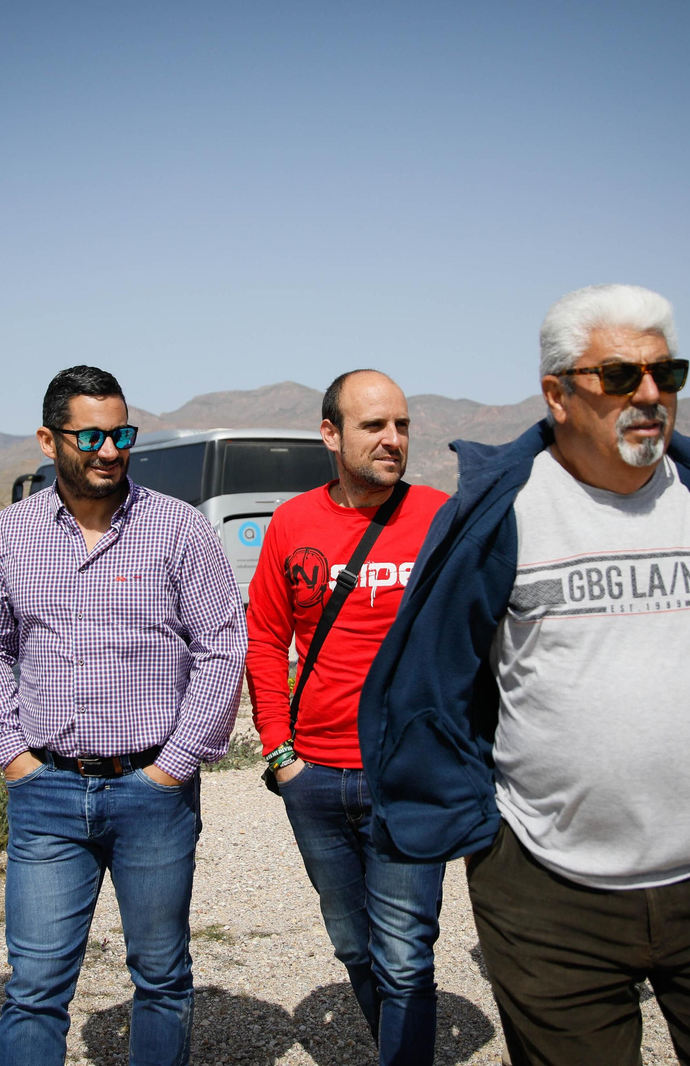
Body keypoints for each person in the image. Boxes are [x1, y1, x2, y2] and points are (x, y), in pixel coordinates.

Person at [358, 284, 690, 1066]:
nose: (648, 394)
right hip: (547, 893)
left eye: (665, 374)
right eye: (618, 376)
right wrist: (487, 840)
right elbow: (438, 684)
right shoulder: (502, 512)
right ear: (557, 394)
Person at [0, 365, 246, 1066]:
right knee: (34, 987)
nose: (110, 450)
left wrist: (174, 766)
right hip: (46, 791)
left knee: (161, 978)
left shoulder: (178, 529)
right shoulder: (12, 533)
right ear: (48, 440)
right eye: (90, 436)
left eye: (121, 434)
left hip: (153, 793)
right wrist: (11, 753)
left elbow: (221, 646)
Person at [245, 369, 450, 1064]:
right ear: (330, 434)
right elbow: (265, 639)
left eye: (402, 425)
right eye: (374, 426)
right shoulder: (293, 523)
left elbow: (477, 635)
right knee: (354, 946)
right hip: (315, 778)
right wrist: (281, 754)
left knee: (405, 953)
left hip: (406, 778)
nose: (393, 439)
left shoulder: (440, 517)